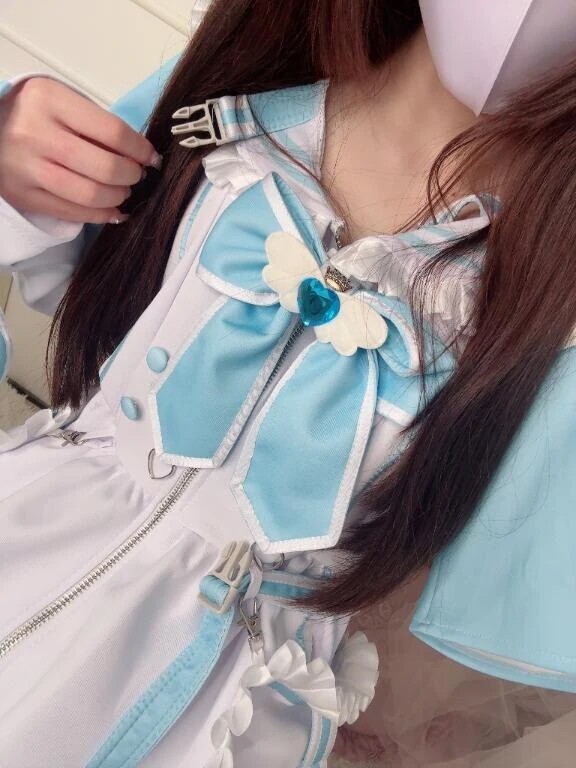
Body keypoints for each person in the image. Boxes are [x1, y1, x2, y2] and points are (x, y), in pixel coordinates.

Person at [1, 1, 576, 765]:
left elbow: (505, 598)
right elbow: (76, 275)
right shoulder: (231, 110)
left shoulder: (548, 313)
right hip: (30, 534)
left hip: (221, 708)